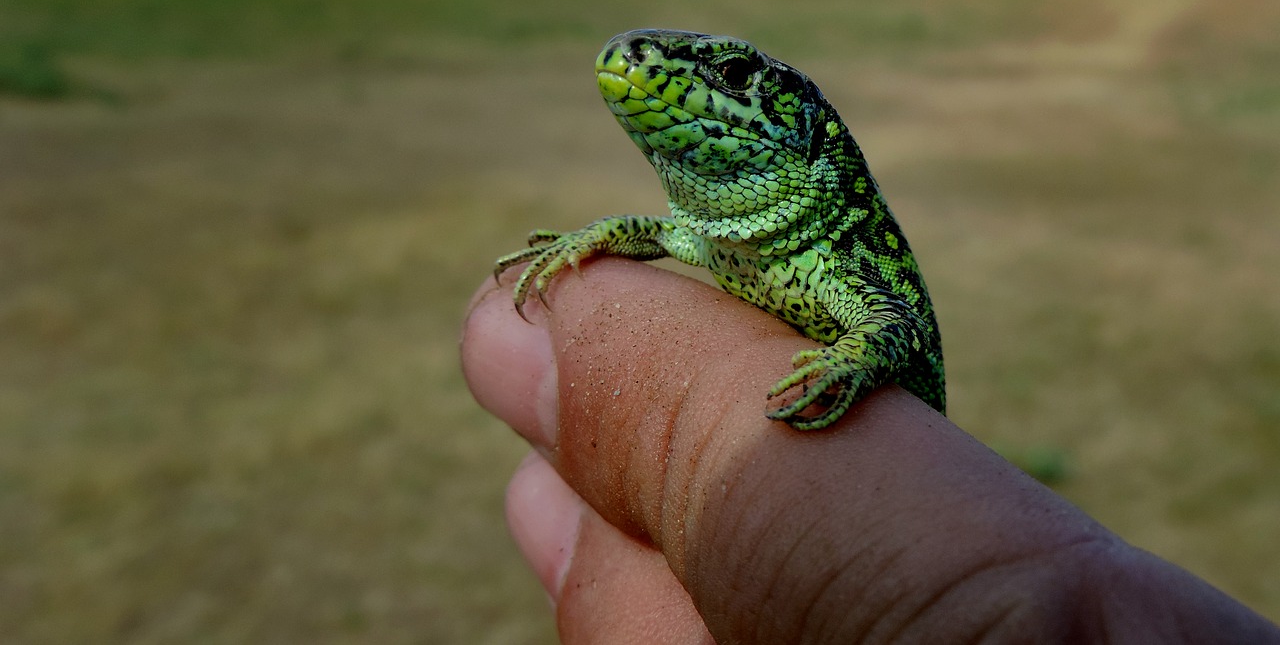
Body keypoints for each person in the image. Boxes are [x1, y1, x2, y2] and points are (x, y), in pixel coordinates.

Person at [462, 258, 1280, 644]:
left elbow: (891, 328)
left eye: (738, 81)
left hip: (899, 445)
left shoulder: (834, 235)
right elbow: (666, 232)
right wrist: (598, 240)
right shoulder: (719, 225)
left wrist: (852, 362)